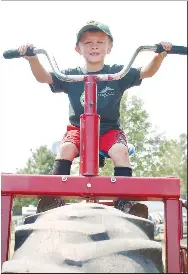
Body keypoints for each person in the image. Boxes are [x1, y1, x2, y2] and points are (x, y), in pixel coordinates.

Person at [17, 20, 172, 215]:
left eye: (100, 42)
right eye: (88, 43)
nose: (94, 46)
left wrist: (160, 56)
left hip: (109, 130)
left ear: (109, 47)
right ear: (78, 48)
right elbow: (43, 77)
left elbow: (146, 72)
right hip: (78, 129)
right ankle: (53, 197)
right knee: (65, 148)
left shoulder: (117, 73)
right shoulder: (70, 75)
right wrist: (32, 59)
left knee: (120, 152)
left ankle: (124, 201)